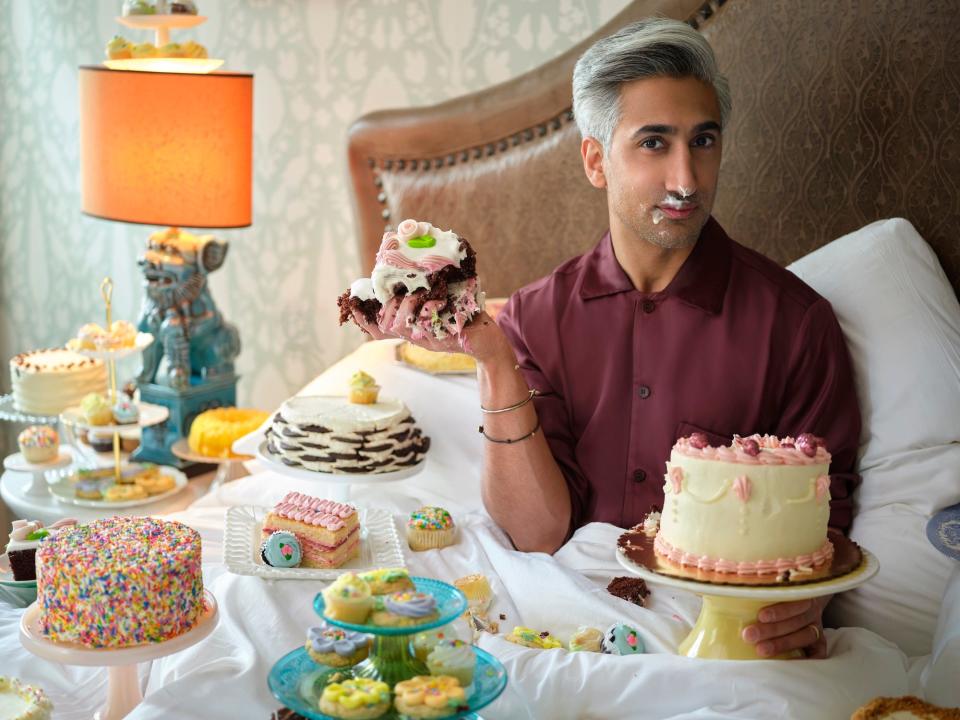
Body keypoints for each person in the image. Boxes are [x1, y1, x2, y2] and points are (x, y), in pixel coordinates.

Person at [352, 18, 860, 659]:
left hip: (720, 637)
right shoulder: (536, 317)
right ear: (596, 160)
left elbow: (826, 506)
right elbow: (535, 534)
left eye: (703, 141)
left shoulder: (796, 323)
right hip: (551, 623)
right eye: (654, 143)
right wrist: (495, 364)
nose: (686, 178)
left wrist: (805, 605)